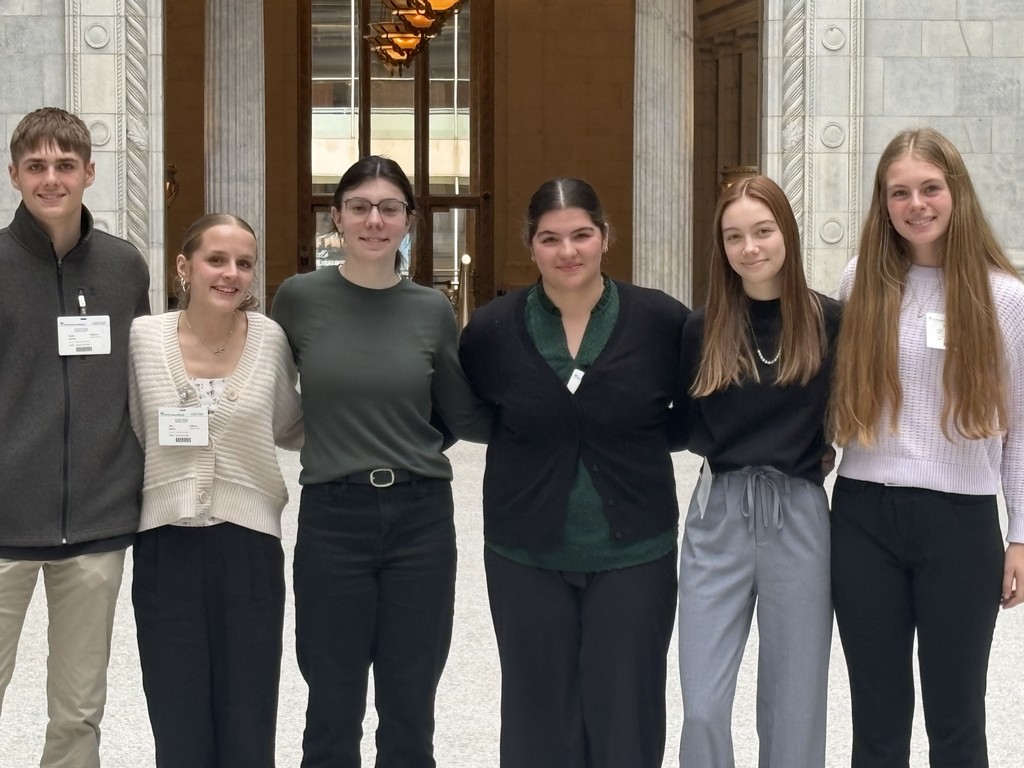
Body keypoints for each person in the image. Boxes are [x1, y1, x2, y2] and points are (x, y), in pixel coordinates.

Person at [458, 177, 690, 768]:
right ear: (530, 246)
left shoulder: (662, 322)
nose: (568, 252)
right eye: (550, 238)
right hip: (524, 551)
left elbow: (691, 418)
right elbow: (472, 414)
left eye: (582, 235)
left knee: (627, 713)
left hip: (635, 550)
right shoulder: (491, 330)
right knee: (539, 715)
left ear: (605, 238)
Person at [271, 155, 490, 768]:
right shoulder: (298, 299)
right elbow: (255, 383)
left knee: (410, 701)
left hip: (419, 517)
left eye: (389, 208)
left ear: (409, 221)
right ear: (337, 217)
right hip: (333, 518)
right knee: (331, 700)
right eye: (360, 207)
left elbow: (457, 410)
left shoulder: (430, 309)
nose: (374, 220)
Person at [830, 127, 1024, 766]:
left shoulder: (1006, 298)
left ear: (957, 192)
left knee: (957, 717)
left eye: (930, 188)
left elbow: (1020, 428)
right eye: (899, 192)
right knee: (877, 718)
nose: (916, 204)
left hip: (959, 525)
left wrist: (1020, 534)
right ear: (883, 204)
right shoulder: (862, 280)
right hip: (863, 518)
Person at [0, 107, 150, 767]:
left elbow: (144, 378)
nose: (51, 178)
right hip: (2, 524)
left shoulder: (123, 267)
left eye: (65, 165)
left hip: (95, 522)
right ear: (14, 175)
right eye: (37, 166)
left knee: (79, 711)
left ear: (90, 172)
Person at [676, 175, 841, 767]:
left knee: (795, 702)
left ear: (787, 234)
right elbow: (684, 424)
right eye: (734, 236)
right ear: (721, 247)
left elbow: (850, 414)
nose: (751, 247)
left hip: (797, 514)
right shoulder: (701, 329)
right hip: (718, 514)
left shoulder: (830, 321)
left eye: (763, 230)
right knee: (701, 704)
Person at [127, 213, 302, 767]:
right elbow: (129, 426)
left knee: (248, 713)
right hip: (164, 545)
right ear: (184, 266)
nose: (231, 274)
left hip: (247, 546)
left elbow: (290, 425)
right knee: (176, 714)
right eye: (216, 260)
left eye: (244, 263)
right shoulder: (143, 339)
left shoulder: (270, 340)